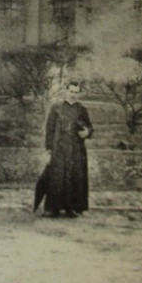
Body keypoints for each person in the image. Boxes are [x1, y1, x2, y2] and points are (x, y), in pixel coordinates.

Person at [39, 80, 93, 217]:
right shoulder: (56, 107)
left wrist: (87, 132)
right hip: (59, 149)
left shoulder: (81, 109)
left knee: (74, 178)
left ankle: (72, 208)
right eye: (71, 91)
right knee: (57, 178)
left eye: (76, 92)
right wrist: (49, 148)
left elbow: (90, 127)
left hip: (76, 150)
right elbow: (49, 129)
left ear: (79, 94)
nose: (73, 95)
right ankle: (54, 208)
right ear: (66, 91)